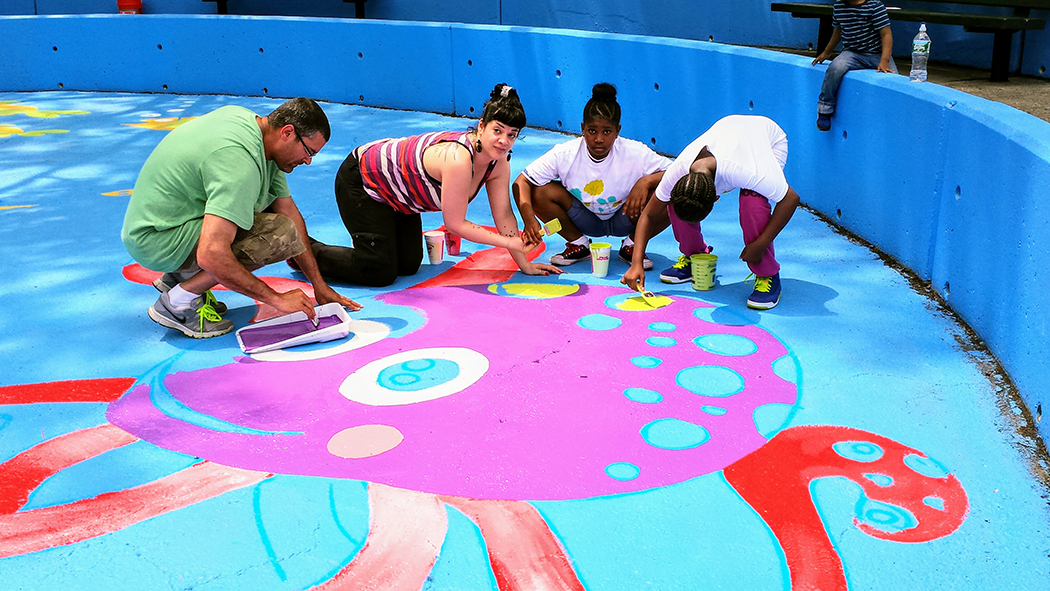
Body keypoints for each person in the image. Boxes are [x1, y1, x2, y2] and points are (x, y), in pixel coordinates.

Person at [121, 97, 360, 339]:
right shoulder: (239, 164)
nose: (308, 161)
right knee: (277, 236)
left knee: (275, 222)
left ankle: (180, 276)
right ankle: (178, 301)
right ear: (288, 132)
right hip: (157, 241)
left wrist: (318, 285)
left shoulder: (254, 129)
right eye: (309, 152)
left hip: (161, 223)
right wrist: (277, 300)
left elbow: (288, 210)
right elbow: (211, 254)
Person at [308, 83, 561, 287]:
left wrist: (524, 264)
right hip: (362, 180)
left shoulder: (499, 162)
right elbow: (455, 224)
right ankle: (307, 251)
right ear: (481, 126)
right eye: (498, 130)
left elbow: (504, 215)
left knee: (408, 266)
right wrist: (510, 243)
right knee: (380, 273)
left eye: (512, 134)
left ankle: (371, 243)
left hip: (400, 199)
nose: (504, 140)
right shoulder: (459, 158)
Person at [621, 115, 800, 310]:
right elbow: (648, 215)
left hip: (767, 139)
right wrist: (636, 262)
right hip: (729, 131)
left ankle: (768, 274)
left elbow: (790, 199)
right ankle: (694, 257)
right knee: (677, 203)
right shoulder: (678, 172)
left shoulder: (749, 171)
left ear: (716, 198)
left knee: (752, 201)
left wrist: (760, 244)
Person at [513, 83, 671, 270]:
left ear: (617, 131)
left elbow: (678, 172)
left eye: (607, 132)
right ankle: (578, 244)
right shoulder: (565, 154)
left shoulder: (635, 152)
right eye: (592, 131)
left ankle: (633, 245)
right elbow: (521, 181)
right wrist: (529, 218)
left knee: (673, 193)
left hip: (626, 216)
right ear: (582, 128)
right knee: (538, 191)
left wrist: (646, 181)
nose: (598, 139)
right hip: (584, 219)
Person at [812, 0, 896, 131]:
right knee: (835, 68)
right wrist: (826, 52)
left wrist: (884, 60)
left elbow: (886, 34)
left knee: (895, 80)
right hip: (852, 53)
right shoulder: (839, 6)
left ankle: (892, 116)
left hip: (877, 54)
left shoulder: (874, 6)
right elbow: (838, 31)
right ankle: (825, 109)